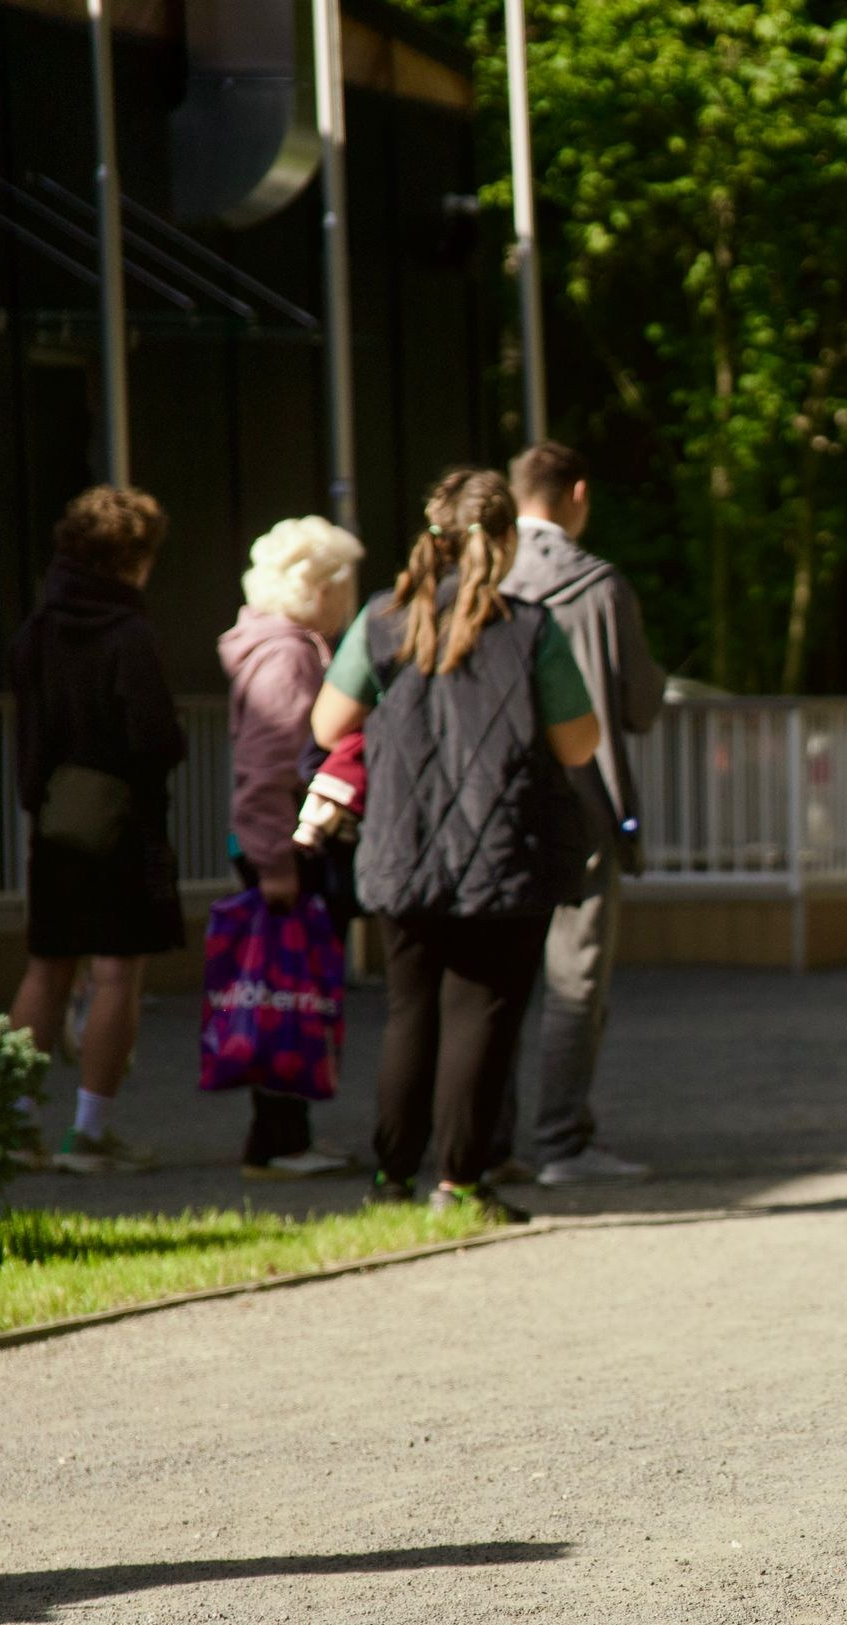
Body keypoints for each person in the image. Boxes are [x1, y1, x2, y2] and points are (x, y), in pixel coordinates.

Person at [311, 469, 600, 1224]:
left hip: (400, 844)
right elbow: (579, 744)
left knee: (409, 1012)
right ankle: (460, 1183)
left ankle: (389, 1180)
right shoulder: (530, 629)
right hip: (504, 850)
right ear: (502, 542)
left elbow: (326, 723)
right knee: (481, 1014)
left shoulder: (382, 618)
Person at [477, 440, 665, 1188]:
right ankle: (563, 1140)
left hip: (487, 799)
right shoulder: (599, 587)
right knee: (575, 975)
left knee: (491, 972)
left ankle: (484, 1141)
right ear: (577, 493)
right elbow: (639, 701)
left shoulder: (482, 576)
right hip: (581, 798)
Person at [2, 486, 183, 1175]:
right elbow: (155, 735)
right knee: (116, 974)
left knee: (46, 967)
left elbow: (30, 739)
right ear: (134, 558)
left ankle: (14, 1121)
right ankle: (90, 1130)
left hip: (55, 817)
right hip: (122, 819)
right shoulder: (129, 634)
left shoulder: (37, 631)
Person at [218, 515, 365, 1179]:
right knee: (286, 992)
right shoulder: (288, 654)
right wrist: (277, 864)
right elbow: (268, 768)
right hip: (283, 849)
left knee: (288, 990)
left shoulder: (279, 645)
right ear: (323, 589)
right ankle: (277, 1139)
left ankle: (288, 1132)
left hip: (275, 844)